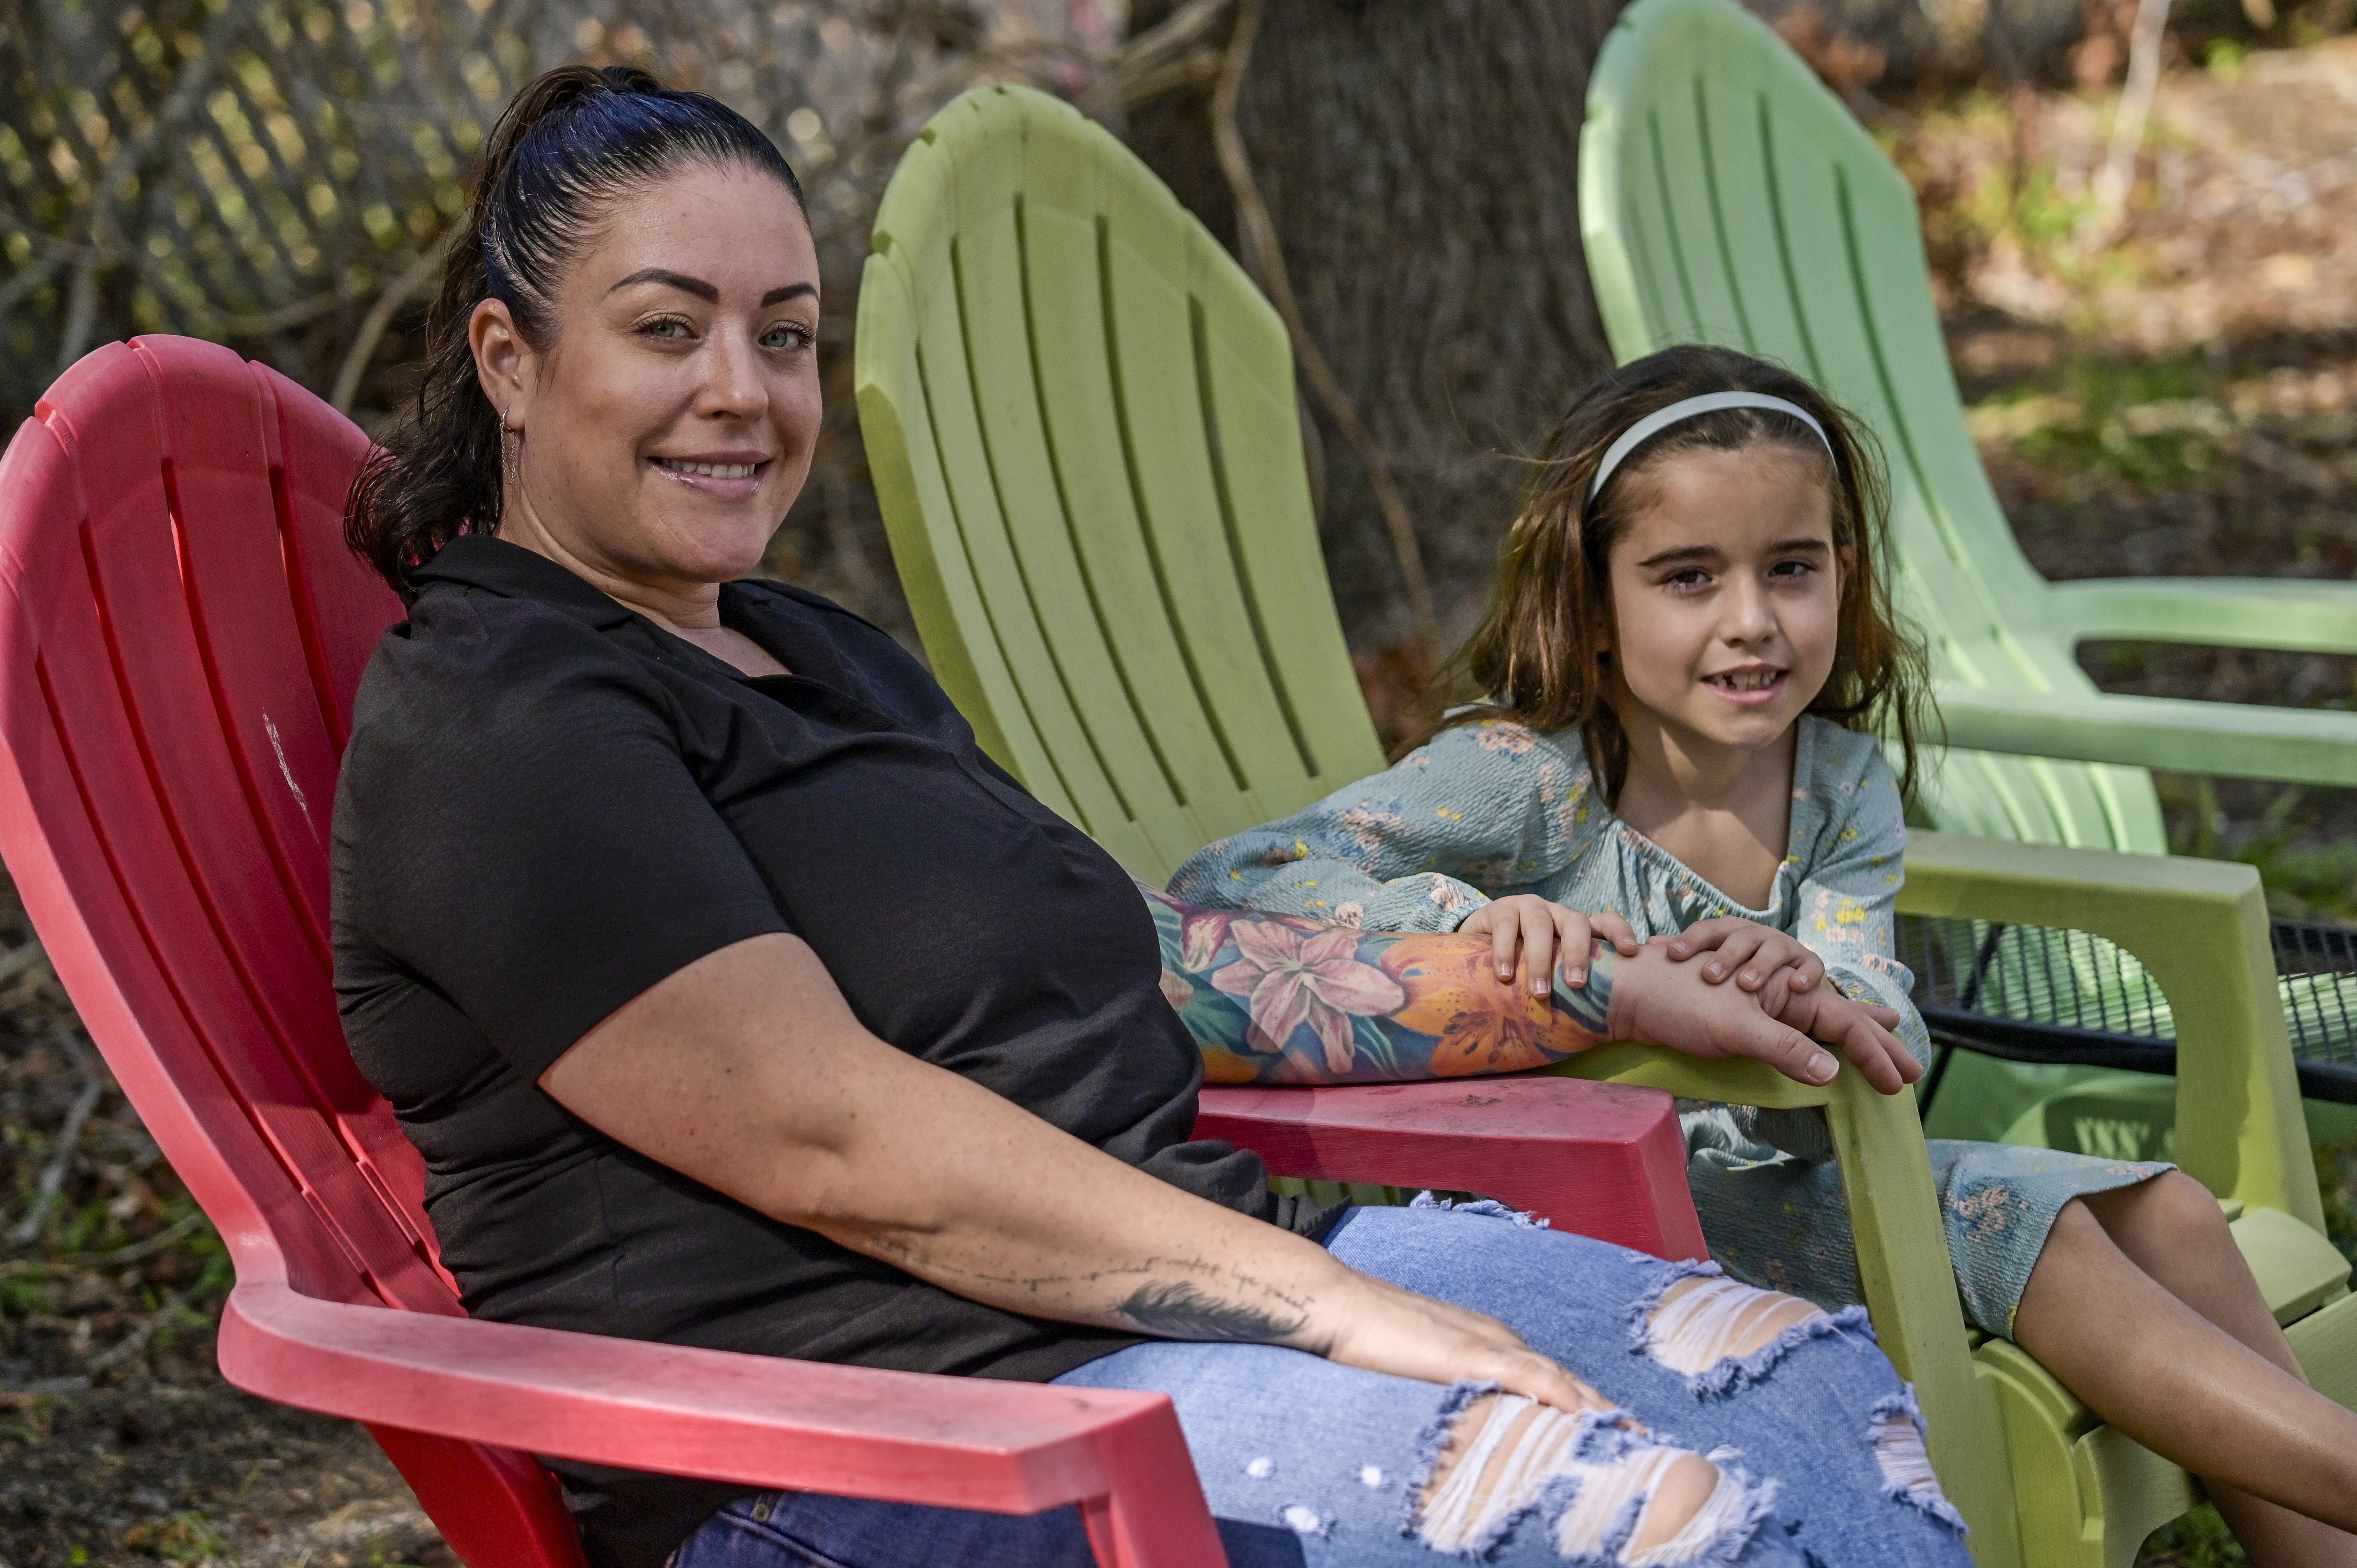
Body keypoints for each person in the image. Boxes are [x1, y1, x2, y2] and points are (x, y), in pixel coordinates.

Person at [329, 66, 1981, 1568]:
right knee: (1654, 1528)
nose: (744, 392)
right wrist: (1333, 1307)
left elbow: (1156, 961)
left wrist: (1589, 986)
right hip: (884, 1439)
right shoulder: (499, 719)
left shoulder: (807, 650)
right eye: (668, 329)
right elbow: (826, 1134)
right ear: (511, 361)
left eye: (783, 332)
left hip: (1184, 1301)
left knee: (1814, 1396)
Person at [1170, 344, 2357, 1563]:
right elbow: (1237, 879)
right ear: (1595, 600)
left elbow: (1872, 1026)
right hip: (1608, 1218)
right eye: (1687, 578)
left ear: (1843, 575)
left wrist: (1820, 996)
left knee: (2170, 1215)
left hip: (1810, 1176)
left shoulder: (1838, 786)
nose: (1752, 624)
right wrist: (1460, 925)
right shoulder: (1530, 779)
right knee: (2019, 1222)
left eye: (1792, 568)